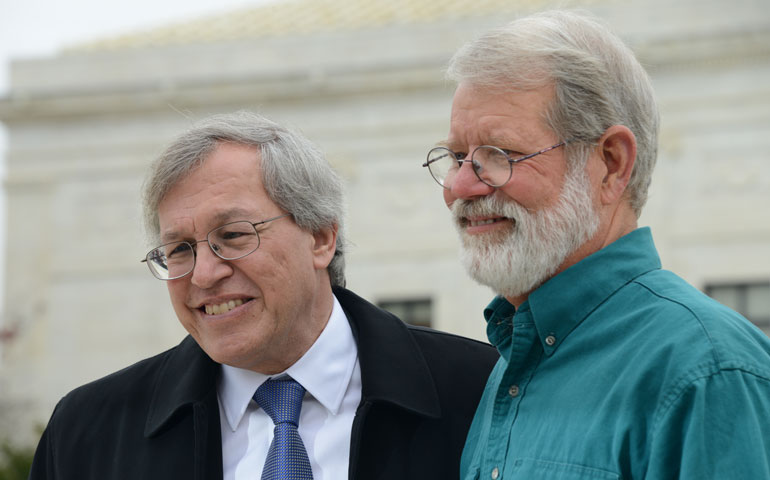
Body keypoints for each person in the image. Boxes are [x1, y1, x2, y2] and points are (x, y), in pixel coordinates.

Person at [29, 111, 498, 480]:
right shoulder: (87, 432)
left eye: (233, 236)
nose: (205, 274)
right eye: (179, 249)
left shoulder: (484, 394)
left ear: (320, 238)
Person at [422, 10, 770, 480]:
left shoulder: (707, 373)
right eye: (459, 157)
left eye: (498, 155)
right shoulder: (513, 362)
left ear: (610, 164)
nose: (461, 187)